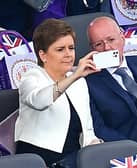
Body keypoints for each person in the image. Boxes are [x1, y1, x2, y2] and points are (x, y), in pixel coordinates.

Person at [14, 18, 102, 168]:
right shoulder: (31, 77)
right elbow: (39, 101)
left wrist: (97, 147)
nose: (68, 54)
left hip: (75, 156)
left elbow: (87, 129)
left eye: (71, 48)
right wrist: (74, 76)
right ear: (43, 55)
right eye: (60, 49)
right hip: (39, 158)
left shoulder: (79, 82)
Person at [86, 16, 137, 163]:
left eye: (111, 40)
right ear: (92, 50)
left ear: (123, 37)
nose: (107, 48)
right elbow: (100, 129)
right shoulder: (89, 83)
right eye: (99, 44)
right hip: (133, 156)